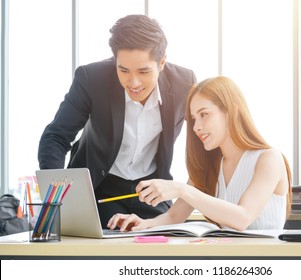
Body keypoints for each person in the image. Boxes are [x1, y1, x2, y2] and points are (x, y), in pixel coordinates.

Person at [38, 14, 197, 227]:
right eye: (123, 70)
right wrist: (57, 197)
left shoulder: (184, 83)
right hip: (100, 187)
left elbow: (203, 144)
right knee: (101, 245)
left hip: (150, 189)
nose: (134, 82)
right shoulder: (91, 78)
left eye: (144, 71)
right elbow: (56, 137)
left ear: (162, 62)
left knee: (163, 241)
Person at [107, 76, 292, 231]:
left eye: (204, 115)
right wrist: (143, 223)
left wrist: (181, 189)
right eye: (193, 119)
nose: (196, 127)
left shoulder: (269, 159)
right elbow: (173, 216)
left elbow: (242, 218)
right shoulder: (207, 167)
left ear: (232, 112)